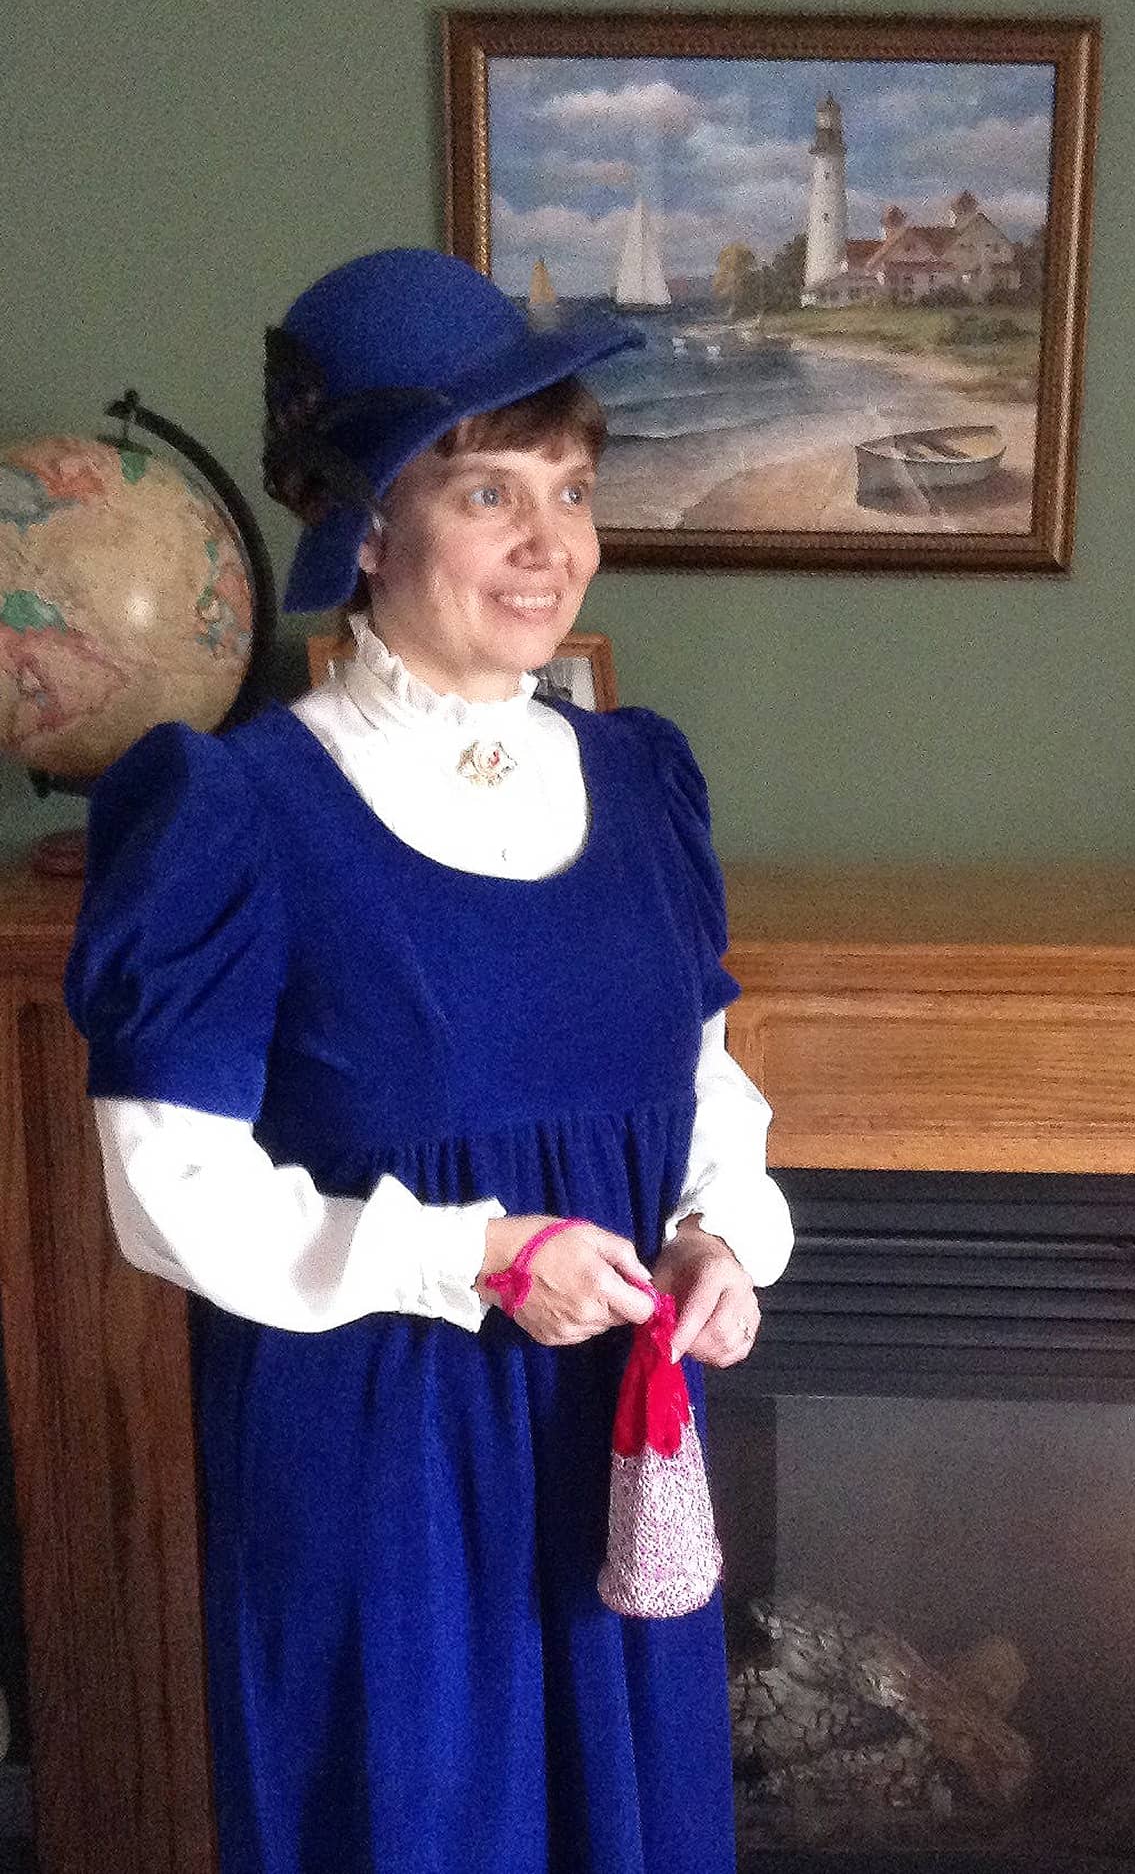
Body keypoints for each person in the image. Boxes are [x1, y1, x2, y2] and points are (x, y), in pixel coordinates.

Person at [65, 248, 794, 1874]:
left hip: (617, 1440)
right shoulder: (239, 812)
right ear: (372, 530)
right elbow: (168, 1189)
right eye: (489, 495)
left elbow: (700, 1084)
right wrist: (474, 1255)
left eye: (572, 490)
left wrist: (719, 1234)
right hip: (379, 1462)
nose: (553, 545)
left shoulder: (643, 781)